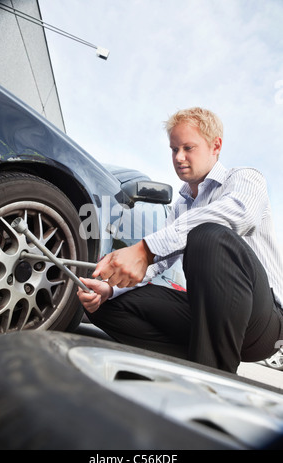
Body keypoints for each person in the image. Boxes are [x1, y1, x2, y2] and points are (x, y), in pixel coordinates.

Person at [77, 107, 283, 373]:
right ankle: (193, 363)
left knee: (208, 234)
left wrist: (145, 249)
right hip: (206, 311)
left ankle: (214, 380)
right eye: (174, 149)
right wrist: (111, 288)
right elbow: (158, 264)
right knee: (105, 306)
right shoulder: (182, 205)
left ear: (215, 146)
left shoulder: (244, 178)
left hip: (263, 321)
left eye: (188, 147)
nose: (179, 157)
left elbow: (240, 214)